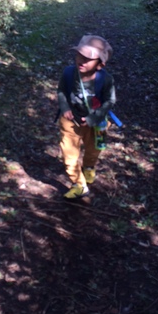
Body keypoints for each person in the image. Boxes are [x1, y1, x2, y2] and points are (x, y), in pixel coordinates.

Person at [57, 35, 116, 199]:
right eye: (79, 56)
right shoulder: (69, 73)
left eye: (88, 59)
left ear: (100, 65)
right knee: (69, 155)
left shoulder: (106, 80)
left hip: (97, 122)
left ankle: (89, 167)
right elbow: (61, 90)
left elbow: (110, 100)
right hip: (71, 121)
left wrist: (93, 118)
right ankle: (79, 184)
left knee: (94, 148)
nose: (81, 61)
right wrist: (64, 107)